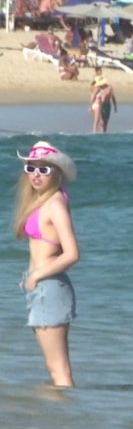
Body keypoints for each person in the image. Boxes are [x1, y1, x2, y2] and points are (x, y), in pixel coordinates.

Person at [13, 141, 80, 387]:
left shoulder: (55, 204)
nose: (37, 175)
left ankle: (68, 422)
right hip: (43, 288)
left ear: (57, 172)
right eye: (32, 168)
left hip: (49, 287)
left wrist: (36, 275)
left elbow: (72, 253)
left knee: (59, 370)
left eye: (45, 169)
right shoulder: (43, 201)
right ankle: (60, 420)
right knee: (54, 368)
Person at [90, 68, 117, 133]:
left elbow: (113, 97)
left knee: (106, 121)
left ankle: (104, 133)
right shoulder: (97, 88)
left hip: (107, 105)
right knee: (100, 121)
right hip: (101, 105)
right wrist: (91, 106)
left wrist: (115, 106)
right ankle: (99, 132)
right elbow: (93, 95)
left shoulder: (109, 87)